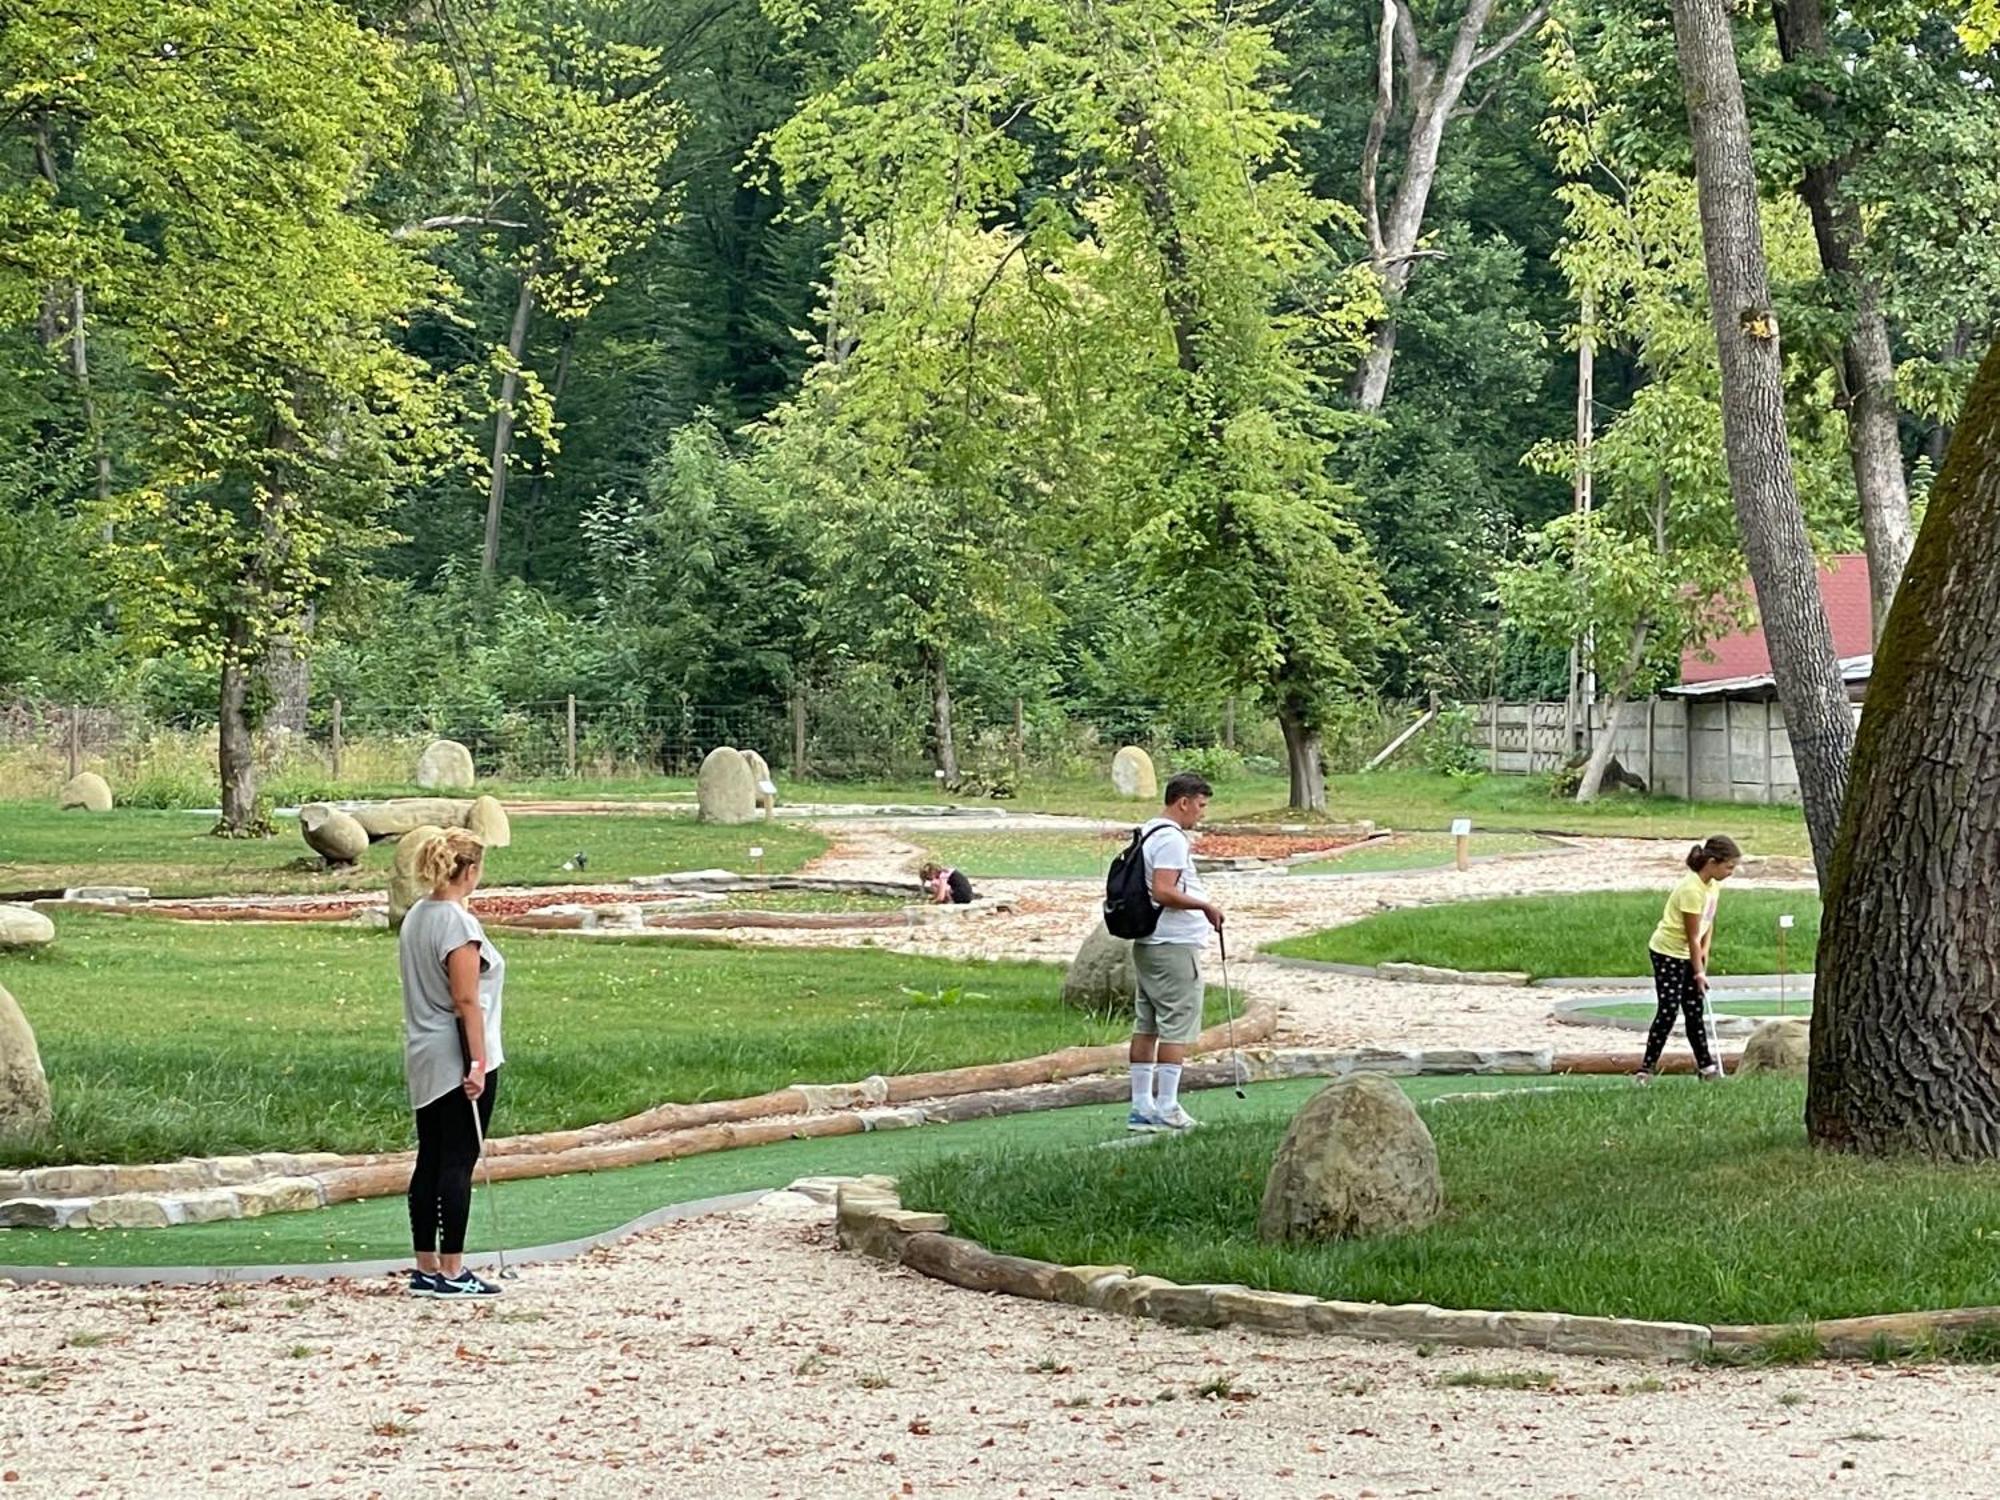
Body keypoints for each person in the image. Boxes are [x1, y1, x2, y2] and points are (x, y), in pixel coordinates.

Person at [398, 828, 507, 1298]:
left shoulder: (417, 915)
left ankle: (425, 1265)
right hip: (455, 1052)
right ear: (470, 870)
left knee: (430, 1158)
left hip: (422, 1049)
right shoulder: (457, 926)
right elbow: (466, 999)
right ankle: (453, 1270)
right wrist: (478, 1063)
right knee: (457, 1162)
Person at [1129, 772, 1224, 1133]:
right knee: (1175, 1025)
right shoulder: (1171, 839)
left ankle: (1141, 1106)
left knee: (1148, 1023)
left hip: (1150, 942)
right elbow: (1163, 891)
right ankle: (1167, 1105)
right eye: (1199, 806)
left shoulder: (1147, 830)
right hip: (1173, 943)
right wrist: (1204, 906)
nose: (1201, 813)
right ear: (1182, 801)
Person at [1635, 834, 1741, 1085]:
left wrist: (1705, 954)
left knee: (1694, 1010)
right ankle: (1646, 1069)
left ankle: (1706, 1067)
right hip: (1668, 952)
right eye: (1729, 866)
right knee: (1669, 1009)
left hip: (1689, 952)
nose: (1731, 872)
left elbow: (1707, 924)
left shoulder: (1712, 886)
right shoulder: (1691, 889)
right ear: (1712, 862)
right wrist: (1699, 971)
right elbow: (1691, 936)